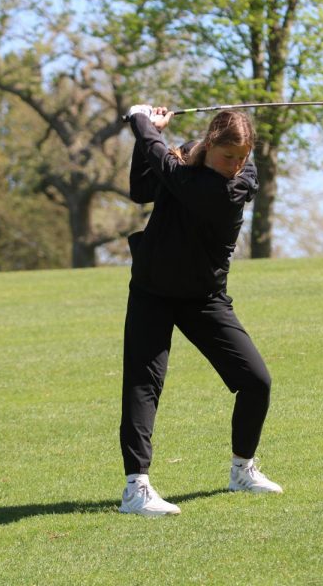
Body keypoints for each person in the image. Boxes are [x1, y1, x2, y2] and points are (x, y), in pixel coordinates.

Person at [118, 104, 282, 517]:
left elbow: (175, 176)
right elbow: (143, 188)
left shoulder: (233, 187)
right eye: (229, 156)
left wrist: (142, 123)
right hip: (153, 291)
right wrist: (149, 139)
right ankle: (135, 488)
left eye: (242, 157)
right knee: (144, 384)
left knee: (256, 381)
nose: (236, 165)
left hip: (204, 298)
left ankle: (242, 470)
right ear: (210, 145)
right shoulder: (187, 161)